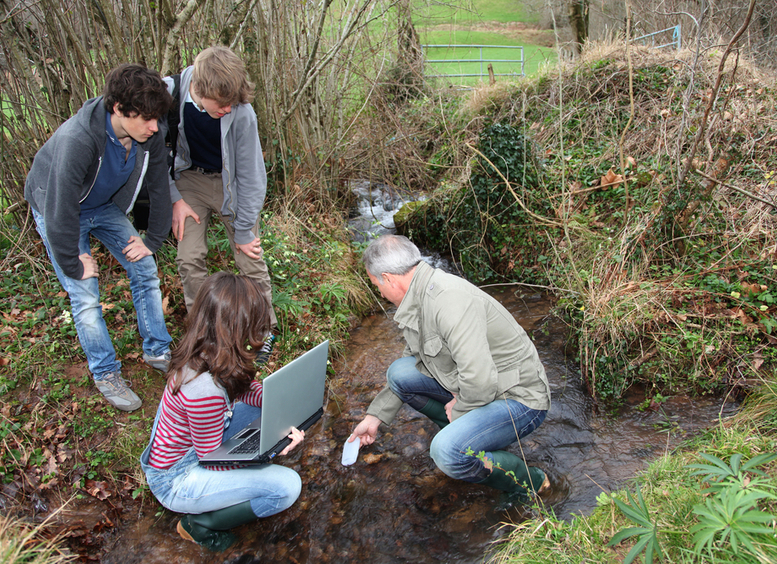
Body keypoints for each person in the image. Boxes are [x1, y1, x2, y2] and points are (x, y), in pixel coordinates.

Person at [349, 235, 552, 499]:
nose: (379, 291)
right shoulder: (419, 297)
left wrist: (461, 409)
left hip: (519, 398)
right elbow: (414, 358)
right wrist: (374, 416)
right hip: (483, 386)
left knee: (446, 452)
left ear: (389, 279)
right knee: (400, 373)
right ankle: (470, 440)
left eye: (377, 284)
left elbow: (479, 379)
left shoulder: (449, 300)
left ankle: (530, 483)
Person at [24, 64, 174, 412]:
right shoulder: (77, 140)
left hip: (102, 205)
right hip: (59, 206)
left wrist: (152, 239)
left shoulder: (148, 132)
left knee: (145, 268)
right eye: (148, 119)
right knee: (85, 294)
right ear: (119, 109)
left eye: (157, 119)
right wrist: (71, 261)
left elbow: (159, 186)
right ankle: (106, 372)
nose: (155, 127)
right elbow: (59, 206)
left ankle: (157, 350)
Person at [140, 272, 304, 552]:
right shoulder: (204, 391)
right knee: (287, 487)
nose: (262, 334)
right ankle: (200, 524)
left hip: (198, 446)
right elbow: (212, 460)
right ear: (239, 327)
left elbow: (243, 389)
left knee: (266, 416)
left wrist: (279, 402)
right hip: (179, 476)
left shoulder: (210, 351)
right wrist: (271, 450)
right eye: (257, 324)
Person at [164, 46, 276, 359]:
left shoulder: (242, 112)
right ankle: (204, 332)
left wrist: (243, 231)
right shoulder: (168, 95)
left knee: (249, 256)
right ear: (199, 90)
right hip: (190, 183)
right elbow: (153, 153)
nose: (227, 109)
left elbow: (253, 176)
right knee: (189, 258)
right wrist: (174, 198)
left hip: (233, 185)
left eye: (231, 103)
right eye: (221, 104)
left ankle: (262, 331)